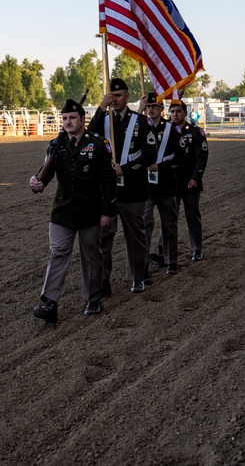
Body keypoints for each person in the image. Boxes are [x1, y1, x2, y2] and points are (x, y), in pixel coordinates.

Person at [30, 99, 116, 323]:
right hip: (62, 210)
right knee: (58, 253)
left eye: (72, 118)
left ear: (82, 120)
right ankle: (49, 302)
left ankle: (93, 299)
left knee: (90, 255)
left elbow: (108, 182)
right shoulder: (56, 145)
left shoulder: (98, 144)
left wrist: (108, 212)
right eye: (64, 118)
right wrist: (37, 184)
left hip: (90, 209)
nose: (68, 122)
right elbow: (46, 174)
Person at [87, 78, 157, 294]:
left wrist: (125, 169)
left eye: (118, 96)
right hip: (106, 190)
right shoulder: (103, 119)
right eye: (111, 96)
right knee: (103, 238)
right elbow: (88, 136)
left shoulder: (140, 121)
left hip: (133, 188)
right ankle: (103, 281)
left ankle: (136, 277)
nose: (114, 99)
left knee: (135, 236)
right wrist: (101, 106)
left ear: (127, 96)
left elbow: (150, 154)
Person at [143, 93, 182, 275]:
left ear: (161, 109)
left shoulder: (172, 129)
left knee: (169, 224)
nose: (151, 109)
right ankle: (142, 263)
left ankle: (171, 260)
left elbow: (179, 155)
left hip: (166, 183)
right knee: (143, 224)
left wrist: (161, 165)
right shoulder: (141, 127)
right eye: (149, 106)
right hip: (145, 185)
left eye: (155, 106)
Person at [169, 99, 209, 261]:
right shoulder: (165, 132)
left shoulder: (195, 132)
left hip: (189, 181)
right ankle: (164, 251)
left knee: (192, 215)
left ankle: (197, 249)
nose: (175, 114)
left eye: (178, 111)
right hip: (170, 181)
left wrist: (195, 178)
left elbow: (201, 157)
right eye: (172, 112)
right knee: (169, 218)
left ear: (185, 113)